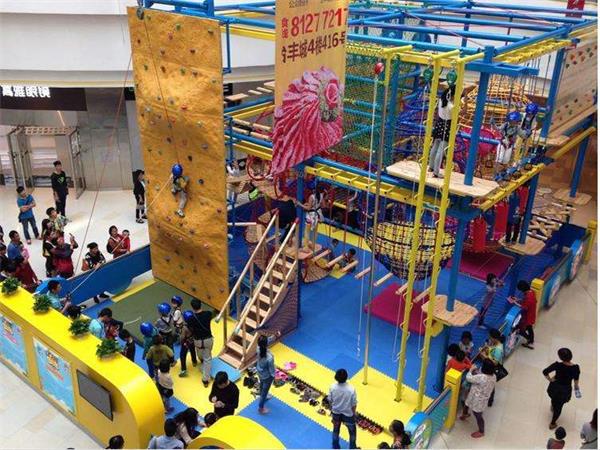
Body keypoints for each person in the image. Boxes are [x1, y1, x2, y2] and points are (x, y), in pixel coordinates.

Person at [543, 348, 581, 429]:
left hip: (554, 387)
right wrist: (576, 389)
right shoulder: (575, 368)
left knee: (554, 399)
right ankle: (552, 423)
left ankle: (553, 406)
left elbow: (545, 371)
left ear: (560, 357)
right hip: (565, 391)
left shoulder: (557, 365)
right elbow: (576, 381)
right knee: (559, 407)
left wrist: (550, 379)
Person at [460, 359, 497, 438]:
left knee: (477, 414)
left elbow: (469, 378)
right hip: (480, 398)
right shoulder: (494, 376)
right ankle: (465, 414)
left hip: (478, 400)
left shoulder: (481, 377)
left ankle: (481, 431)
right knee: (467, 404)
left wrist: (471, 370)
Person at [329, 368, 358, 449]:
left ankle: (335, 447)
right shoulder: (351, 389)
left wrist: (332, 410)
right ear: (346, 377)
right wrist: (354, 413)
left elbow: (330, 400)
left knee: (336, 430)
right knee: (352, 432)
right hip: (348, 414)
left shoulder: (332, 387)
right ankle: (352, 448)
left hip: (336, 413)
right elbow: (354, 404)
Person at [188, 299, 213, 387]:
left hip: (198, 341)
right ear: (200, 305)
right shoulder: (208, 314)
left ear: (192, 307)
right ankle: (205, 380)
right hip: (208, 339)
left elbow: (190, 329)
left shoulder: (191, 319)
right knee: (208, 359)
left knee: (199, 353)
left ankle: (201, 360)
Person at [256, 331, 281, 414]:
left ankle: (262, 394)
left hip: (259, 372)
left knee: (261, 384)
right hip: (267, 376)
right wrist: (275, 377)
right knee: (264, 392)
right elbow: (271, 370)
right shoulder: (269, 358)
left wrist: (274, 336)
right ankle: (261, 408)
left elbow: (265, 342)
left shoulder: (258, 348)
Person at [510, 280, 537, 349]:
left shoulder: (528, 297)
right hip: (532, 314)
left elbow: (524, 307)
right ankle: (531, 340)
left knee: (521, 330)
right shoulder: (531, 292)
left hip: (527, 317)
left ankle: (529, 339)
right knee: (530, 328)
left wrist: (515, 302)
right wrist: (517, 299)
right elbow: (525, 301)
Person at [481, 328, 504, 407]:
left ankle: (490, 400)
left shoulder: (498, 349)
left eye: (490, 337)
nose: (489, 339)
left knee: (491, 385)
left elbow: (495, 362)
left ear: (494, 338)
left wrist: (485, 356)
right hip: (489, 366)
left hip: (492, 369)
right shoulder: (495, 344)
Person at [178, 311, 198, 378]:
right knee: (192, 350)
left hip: (186, 342)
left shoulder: (184, 327)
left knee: (182, 355)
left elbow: (182, 337)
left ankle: (183, 369)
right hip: (192, 340)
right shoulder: (195, 323)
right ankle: (194, 361)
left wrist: (181, 341)